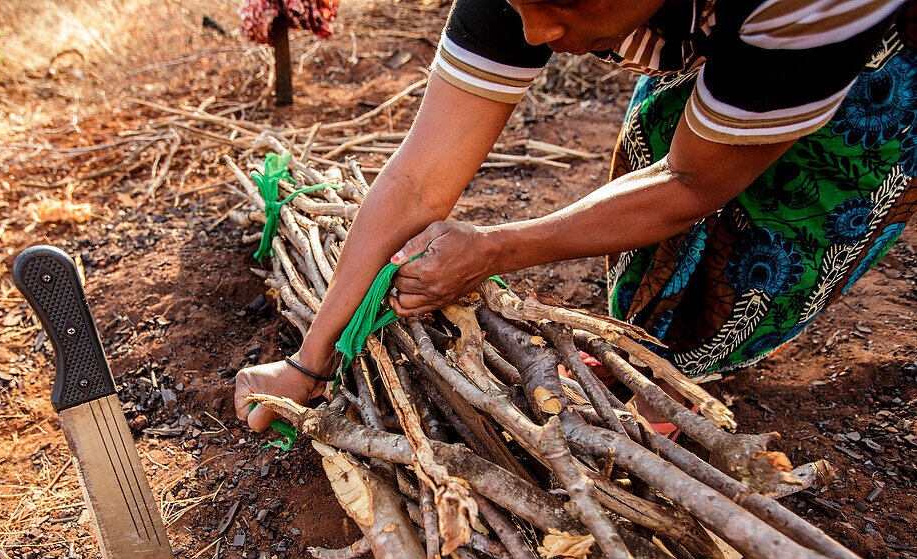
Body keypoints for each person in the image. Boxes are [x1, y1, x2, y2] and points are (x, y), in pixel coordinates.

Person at [236, 0, 917, 432]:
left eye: (562, 4)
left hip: (872, 55)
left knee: (786, 205)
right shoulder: (521, 2)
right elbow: (417, 179)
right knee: (661, 135)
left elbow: (691, 182)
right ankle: (648, 344)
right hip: (712, 25)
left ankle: (681, 378)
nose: (536, 32)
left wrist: (497, 247)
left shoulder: (806, 7)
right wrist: (309, 361)